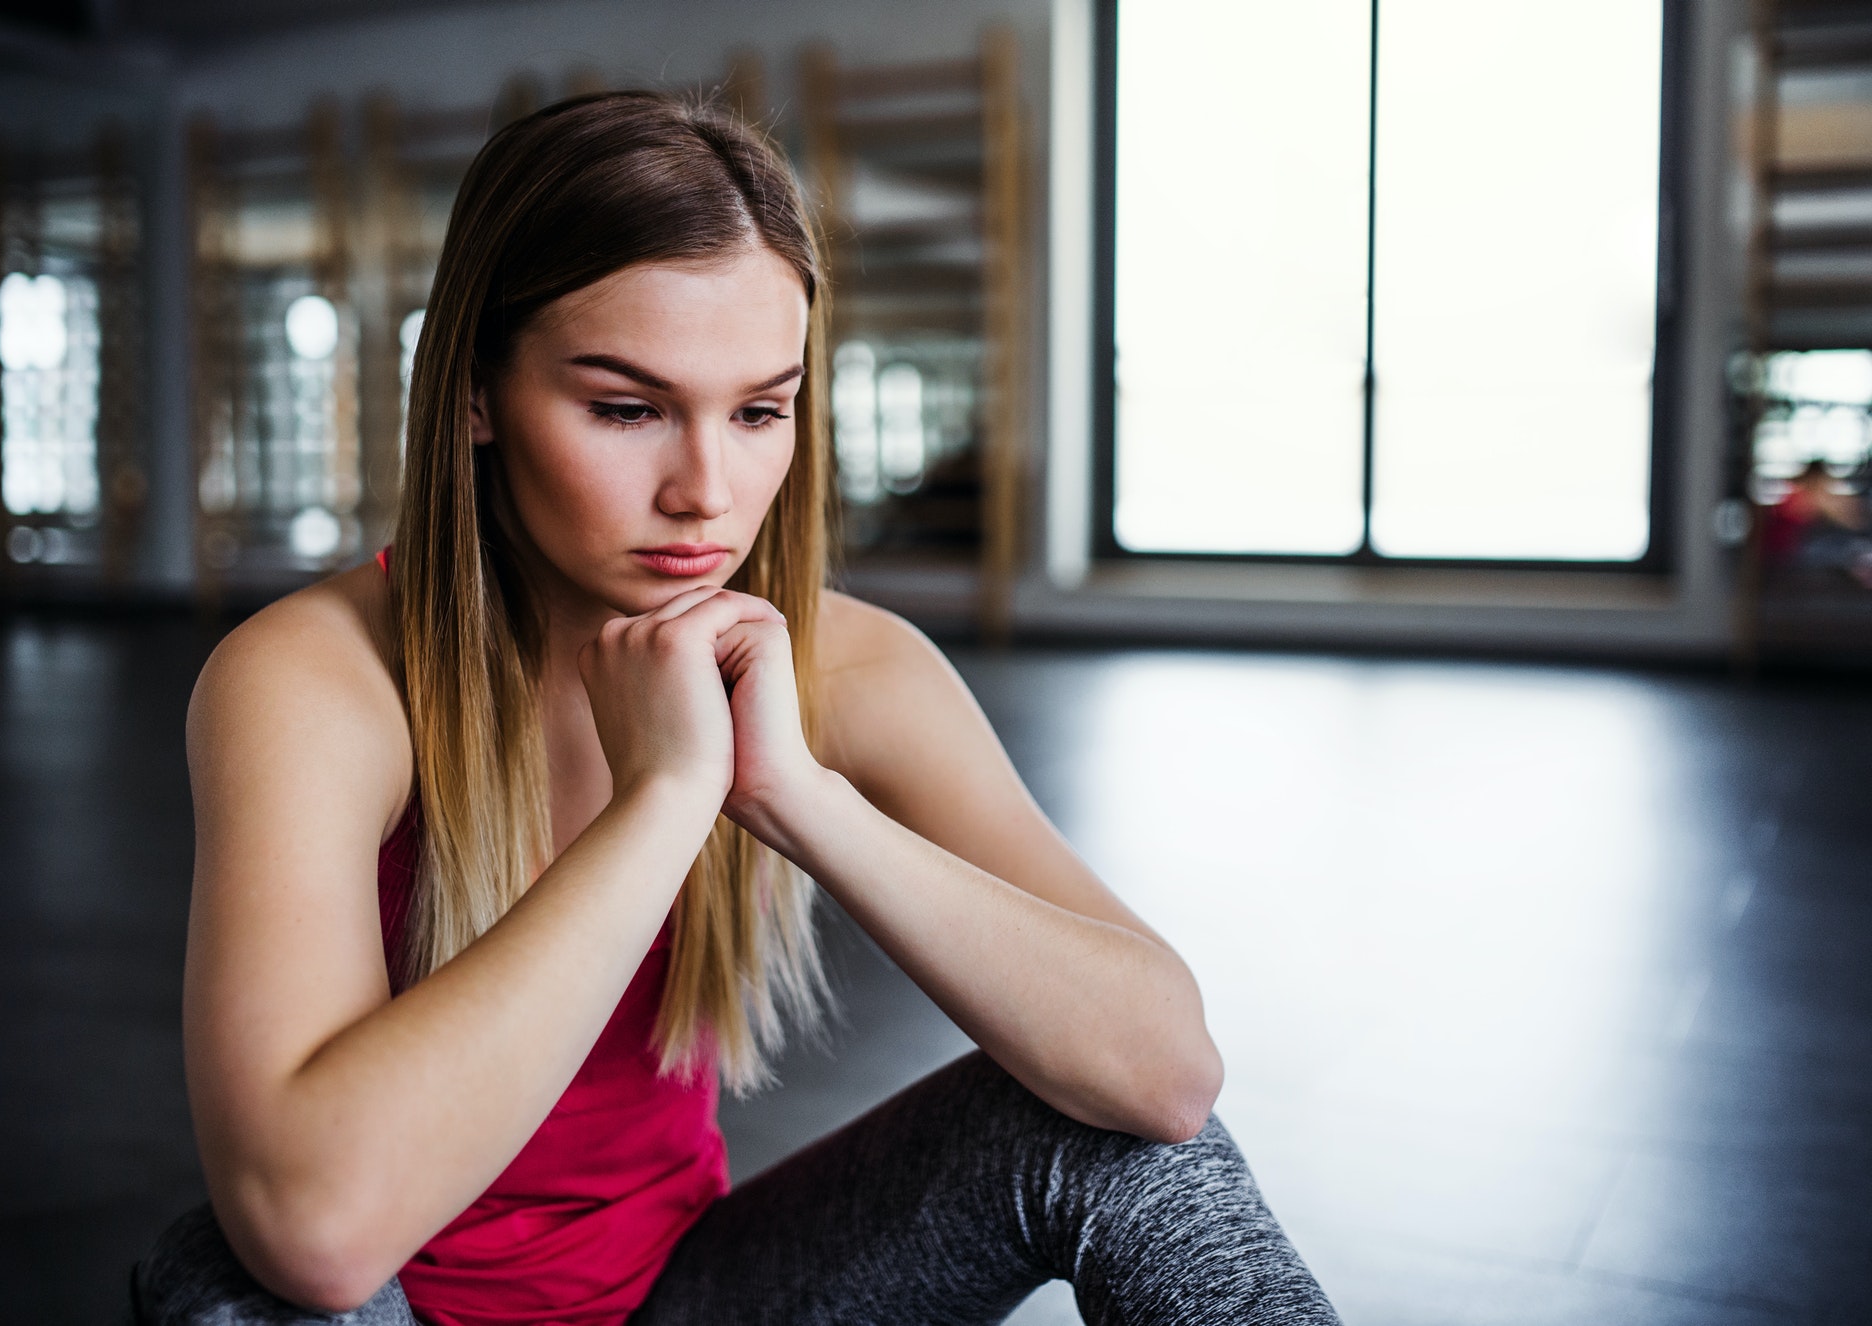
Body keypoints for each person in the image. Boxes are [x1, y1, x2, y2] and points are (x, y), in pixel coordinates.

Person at [137, 92, 1338, 1326]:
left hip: (690, 1301)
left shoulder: (847, 666)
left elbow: (1167, 1075)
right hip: (399, 1308)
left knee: (1113, 1141)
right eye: (626, 408)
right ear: (476, 396)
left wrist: (793, 794)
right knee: (233, 1286)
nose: (705, 492)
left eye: (759, 410)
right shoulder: (316, 679)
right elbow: (319, 1233)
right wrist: (662, 798)